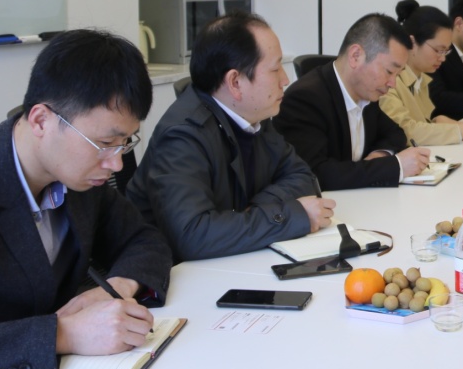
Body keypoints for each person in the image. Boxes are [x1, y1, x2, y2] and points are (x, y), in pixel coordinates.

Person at [0, 30, 172, 369]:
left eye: (124, 143)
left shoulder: (78, 181)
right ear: (41, 120)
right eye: (105, 143)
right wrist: (63, 334)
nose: (116, 163)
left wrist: (117, 286)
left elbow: (143, 239)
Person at [126, 13, 334, 262]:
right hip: (175, 274)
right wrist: (291, 216)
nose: (285, 80)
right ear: (235, 82)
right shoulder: (182, 137)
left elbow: (303, 176)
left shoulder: (254, 116)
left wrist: (254, 211)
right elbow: (193, 236)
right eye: (275, 69)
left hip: (231, 259)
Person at [274, 13, 430, 189]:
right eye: (389, 71)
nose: (392, 83)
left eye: (398, 74)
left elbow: (395, 133)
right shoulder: (304, 100)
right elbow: (315, 174)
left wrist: (380, 155)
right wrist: (395, 166)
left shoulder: (366, 93)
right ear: (355, 56)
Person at [379, 0, 463, 145]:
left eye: (446, 51)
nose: (443, 58)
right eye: (438, 50)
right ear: (412, 42)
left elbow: (422, 123)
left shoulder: (421, 79)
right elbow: (404, 131)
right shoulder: (389, 81)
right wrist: (460, 130)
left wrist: (437, 122)